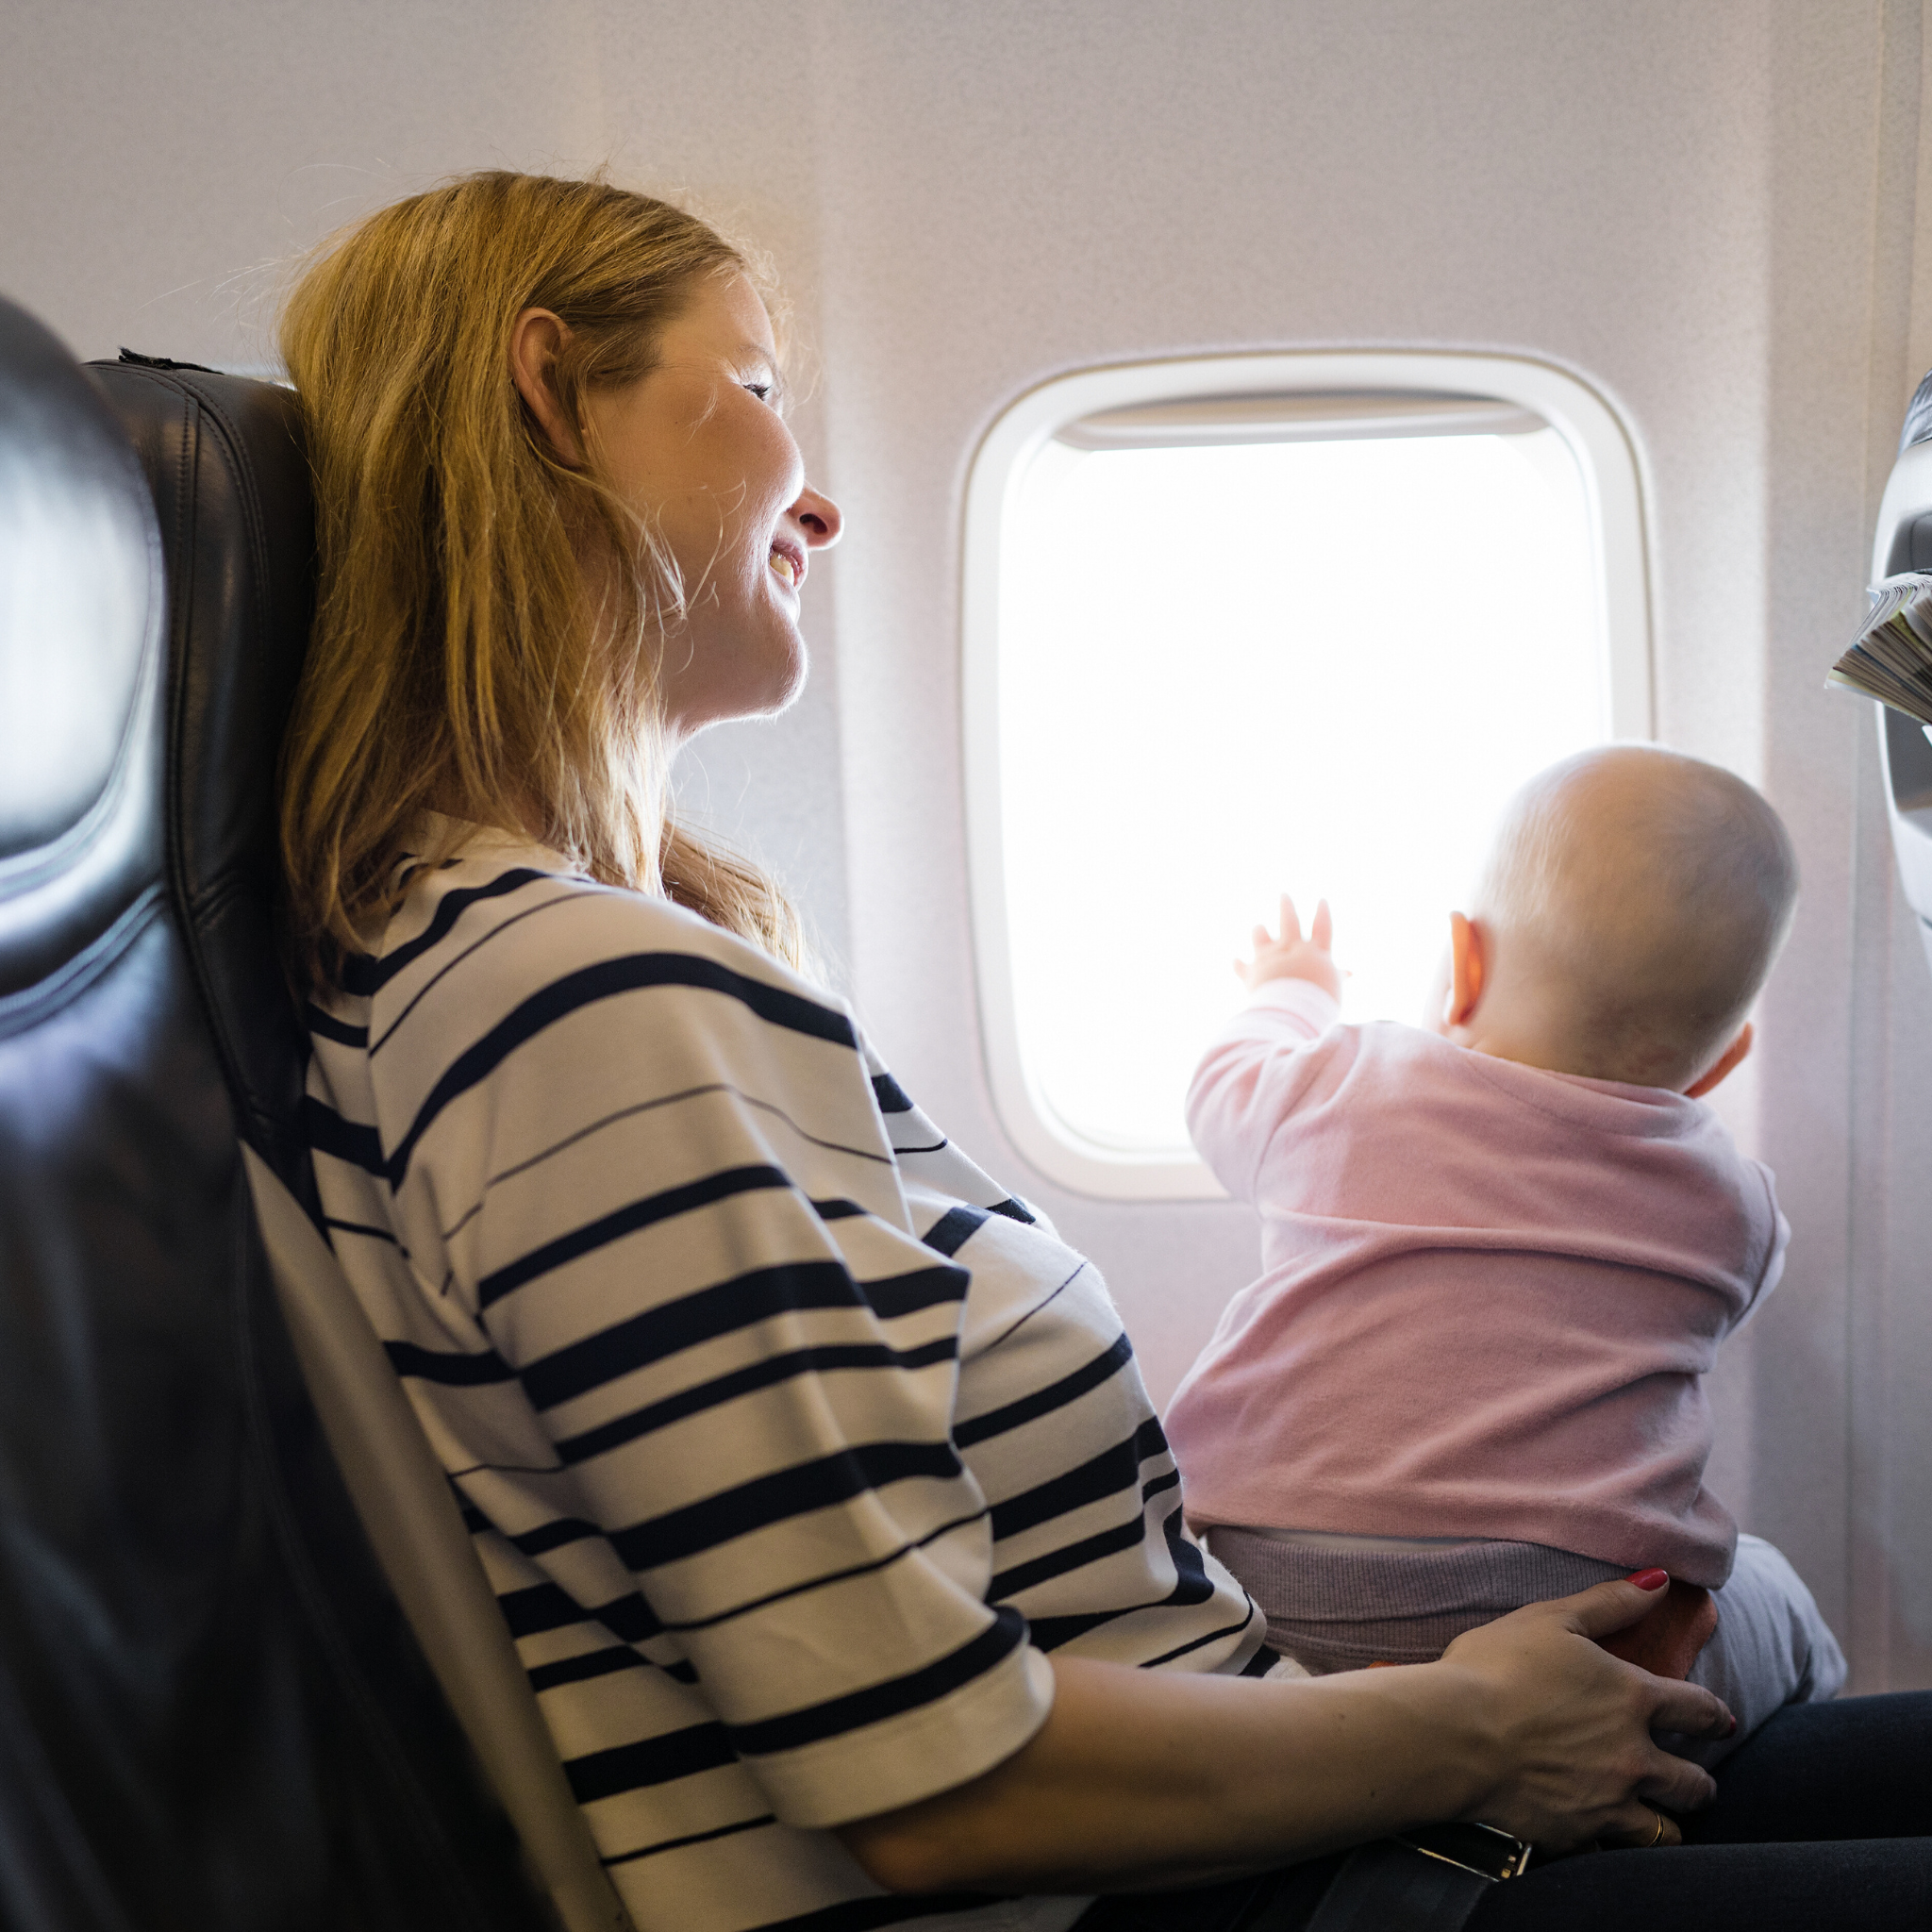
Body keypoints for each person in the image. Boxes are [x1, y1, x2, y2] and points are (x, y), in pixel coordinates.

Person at [278, 170, 1929, 1932]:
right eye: (754, 391)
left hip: (1262, 1795)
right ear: (550, 395)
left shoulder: (560, 964)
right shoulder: (569, 1000)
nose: (817, 498)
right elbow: (927, 1777)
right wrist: (1464, 1724)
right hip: (1175, 1895)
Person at [1164, 750, 1844, 1763]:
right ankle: (1784, 1767)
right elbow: (1732, 1294)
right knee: (1774, 1590)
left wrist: (1291, 986)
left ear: (1462, 961)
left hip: (1267, 1603)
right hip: (1588, 1633)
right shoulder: (1733, 1205)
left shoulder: (1342, 1081)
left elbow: (1219, 1084)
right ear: (1723, 1059)